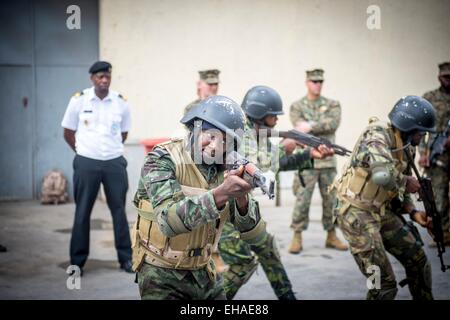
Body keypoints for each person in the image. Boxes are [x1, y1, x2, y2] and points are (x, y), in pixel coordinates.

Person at [132, 95, 265, 300]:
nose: (213, 146)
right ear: (195, 127)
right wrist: (223, 192)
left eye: (223, 141)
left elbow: (252, 234)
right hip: (161, 273)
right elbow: (168, 221)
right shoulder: (162, 158)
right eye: (209, 135)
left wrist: (242, 198)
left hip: (204, 272)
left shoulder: (224, 167)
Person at [218, 85, 334, 299]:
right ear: (262, 115)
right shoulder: (242, 133)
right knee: (242, 265)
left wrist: (309, 155)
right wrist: (285, 145)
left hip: (241, 210)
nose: (278, 120)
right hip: (222, 214)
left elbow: (277, 162)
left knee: (268, 249)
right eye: (274, 116)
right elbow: (258, 169)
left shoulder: (258, 134)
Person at [331, 96, 436, 300]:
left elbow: (397, 189)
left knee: (419, 261)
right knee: (382, 284)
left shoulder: (406, 146)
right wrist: (407, 182)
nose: (423, 136)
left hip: (380, 210)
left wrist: (413, 212)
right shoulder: (376, 134)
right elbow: (383, 176)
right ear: (409, 126)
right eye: (421, 131)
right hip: (355, 214)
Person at [61, 61, 133, 275]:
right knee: (83, 211)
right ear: (92, 78)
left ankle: (126, 259)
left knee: (119, 211)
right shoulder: (79, 100)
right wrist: (83, 151)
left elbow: (124, 133)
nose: (104, 80)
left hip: (114, 162)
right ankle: (77, 262)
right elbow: (68, 131)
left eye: (107, 77)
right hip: (86, 161)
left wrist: (109, 151)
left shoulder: (120, 102)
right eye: (100, 77)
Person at [288, 68, 348, 253]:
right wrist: (316, 125)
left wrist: (311, 125)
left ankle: (331, 235)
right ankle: (297, 236)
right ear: (307, 82)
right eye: (314, 81)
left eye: (320, 81)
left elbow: (333, 123)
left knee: (331, 200)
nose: (318, 84)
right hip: (308, 160)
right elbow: (299, 128)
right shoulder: (297, 106)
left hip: (328, 162)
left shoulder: (333, 104)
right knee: (302, 200)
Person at [418, 62, 450, 246]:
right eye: (446, 77)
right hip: (437, 156)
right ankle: (442, 232)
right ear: (439, 77)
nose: (448, 80)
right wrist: (423, 153)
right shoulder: (430, 98)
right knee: (438, 195)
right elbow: (421, 128)